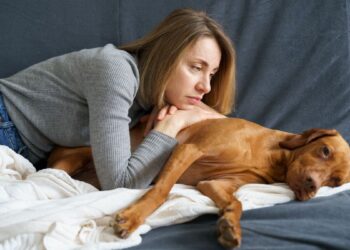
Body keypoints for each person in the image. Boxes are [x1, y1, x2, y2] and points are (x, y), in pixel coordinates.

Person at [0, 8, 236, 190]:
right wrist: (172, 126)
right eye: (196, 67)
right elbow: (119, 183)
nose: (205, 86)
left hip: (23, 149)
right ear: (165, 57)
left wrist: (191, 114)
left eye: (212, 74)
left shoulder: (152, 101)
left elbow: (220, 123)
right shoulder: (116, 72)